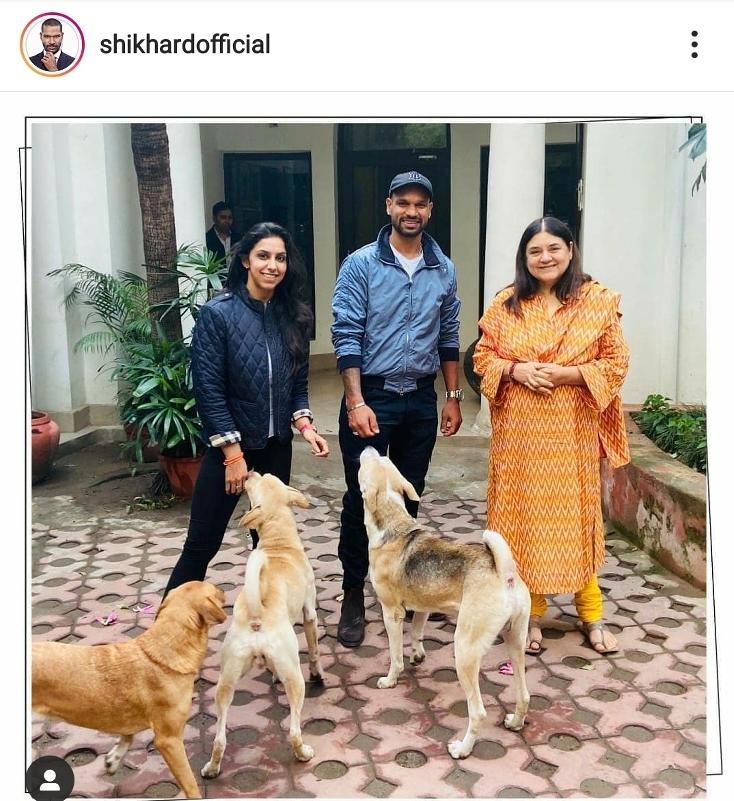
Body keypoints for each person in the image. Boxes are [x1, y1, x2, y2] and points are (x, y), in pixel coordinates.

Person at [472, 216, 630, 656]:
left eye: (554, 248)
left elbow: (616, 362)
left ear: (570, 250)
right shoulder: (506, 304)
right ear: (524, 258)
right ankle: (531, 615)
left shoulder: (596, 301)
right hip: (519, 438)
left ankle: (591, 613)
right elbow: (482, 359)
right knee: (524, 523)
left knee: (575, 523)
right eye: (535, 251)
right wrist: (516, 369)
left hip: (571, 433)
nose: (545, 258)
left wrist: (568, 375)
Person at [330, 171, 463, 647]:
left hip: (420, 401)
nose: (411, 211)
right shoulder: (360, 264)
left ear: (430, 210)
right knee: (361, 499)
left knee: (409, 498)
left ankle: (403, 587)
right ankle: (353, 591)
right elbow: (346, 332)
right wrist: (355, 401)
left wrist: (452, 396)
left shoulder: (442, 268)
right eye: (403, 202)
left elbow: (449, 334)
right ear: (389, 206)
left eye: (420, 204)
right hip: (373, 396)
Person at [164, 221, 329, 596]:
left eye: (280, 258)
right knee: (202, 544)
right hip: (229, 452)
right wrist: (233, 456)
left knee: (268, 545)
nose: (273, 265)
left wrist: (306, 426)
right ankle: (167, 623)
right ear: (245, 261)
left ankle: (269, 617)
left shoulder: (295, 315)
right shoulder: (218, 314)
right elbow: (209, 391)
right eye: (263, 256)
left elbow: (297, 384)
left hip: (276, 449)